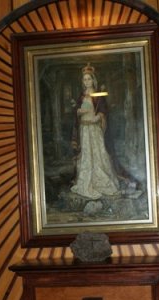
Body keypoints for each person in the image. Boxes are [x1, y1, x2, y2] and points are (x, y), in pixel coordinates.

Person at [69, 63, 120, 200]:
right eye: (84, 79)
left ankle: (100, 182)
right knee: (86, 154)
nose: (87, 82)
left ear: (93, 80)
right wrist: (78, 111)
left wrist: (97, 118)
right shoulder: (81, 96)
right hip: (84, 129)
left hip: (94, 129)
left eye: (89, 79)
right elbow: (77, 110)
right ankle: (86, 183)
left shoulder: (98, 95)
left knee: (98, 153)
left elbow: (103, 110)